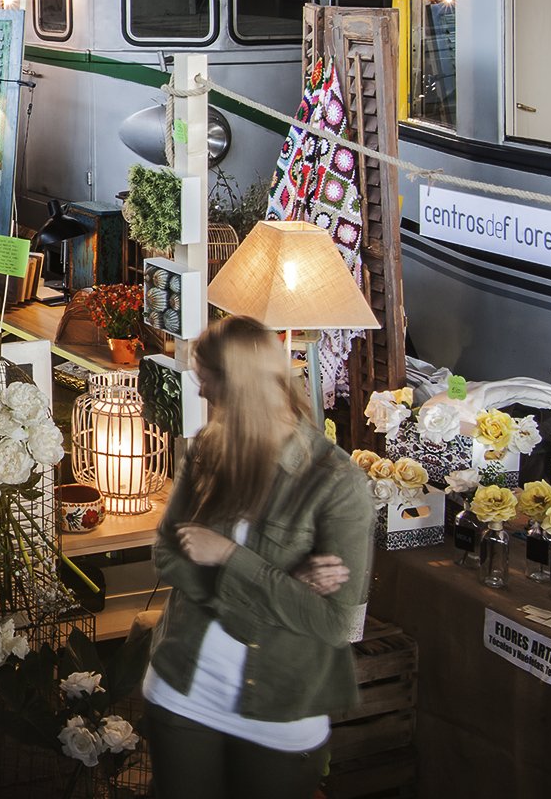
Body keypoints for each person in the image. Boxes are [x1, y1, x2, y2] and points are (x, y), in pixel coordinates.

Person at [142, 315, 375, 799]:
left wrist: (229, 556)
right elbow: (168, 552)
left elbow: (335, 624)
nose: (202, 395)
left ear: (240, 387)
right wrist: (283, 585)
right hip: (184, 689)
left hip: (282, 710)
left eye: (208, 384)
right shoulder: (208, 448)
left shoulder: (337, 483)